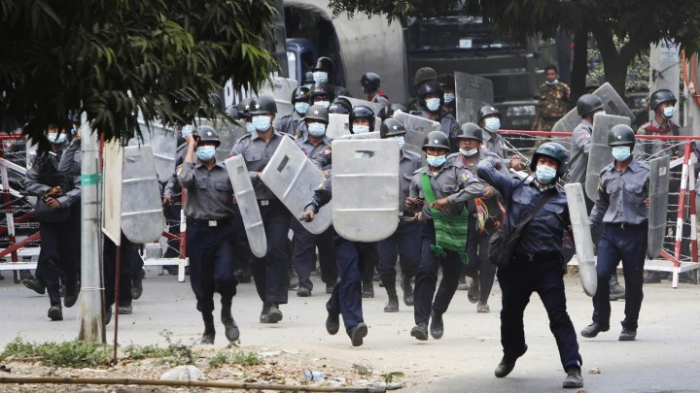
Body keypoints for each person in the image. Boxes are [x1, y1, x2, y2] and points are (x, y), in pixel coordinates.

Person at [477, 142, 583, 389]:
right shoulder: (514, 186)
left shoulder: (565, 200)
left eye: (552, 163)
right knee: (510, 314)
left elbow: (580, 233)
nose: (546, 166)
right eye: (543, 162)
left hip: (547, 267)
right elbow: (483, 169)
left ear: (559, 170)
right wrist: (497, 162)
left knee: (558, 316)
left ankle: (572, 367)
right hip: (515, 265)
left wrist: (567, 256)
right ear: (535, 163)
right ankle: (512, 352)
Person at [405, 131, 484, 341]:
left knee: (451, 276)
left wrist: (450, 199)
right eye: (432, 150)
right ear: (425, 152)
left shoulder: (458, 171)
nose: (435, 153)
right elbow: (414, 203)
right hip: (430, 228)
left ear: (446, 153)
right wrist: (412, 206)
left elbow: (477, 187)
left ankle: (437, 312)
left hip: (456, 227)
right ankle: (421, 322)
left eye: (440, 150)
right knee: (425, 270)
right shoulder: (418, 176)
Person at [581, 124, 650, 342]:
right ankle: (600, 321)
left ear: (631, 147)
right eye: (616, 146)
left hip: (635, 232)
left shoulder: (645, 174)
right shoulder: (605, 174)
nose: (620, 150)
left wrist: (651, 205)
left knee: (633, 281)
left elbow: (658, 203)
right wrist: (589, 228)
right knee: (601, 275)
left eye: (624, 146)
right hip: (610, 233)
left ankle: (630, 325)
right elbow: (600, 205)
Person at [230, 94, 292, 324]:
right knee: (257, 255)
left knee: (276, 248)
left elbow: (296, 168)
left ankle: (274, 301)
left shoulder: (286, 142)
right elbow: (233, 172)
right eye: (255, 116)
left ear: (273, 117)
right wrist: (258, 176)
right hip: (252, 205)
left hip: (278, 205)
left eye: (263, 115)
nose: (259, 120)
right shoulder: (243, 144)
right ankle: (266, 299)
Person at [177, 125, 240, 344]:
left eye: (210, 144)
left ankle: (227, 313)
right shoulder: (191, 171)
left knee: (225, 277)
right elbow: (183, 180)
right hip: (199, 231)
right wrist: (190, 147)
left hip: (223, 230)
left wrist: (238, 199)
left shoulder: (227, 171)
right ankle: (209, 327)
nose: (206, 148)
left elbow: (242, 191)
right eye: (202, 144)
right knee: (202, 287)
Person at [566, 94, 626, 301]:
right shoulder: (581, 131)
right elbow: (592, 149)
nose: (602, 114)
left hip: (595, 189)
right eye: (598, 111)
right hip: (583, 191)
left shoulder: (597, 129)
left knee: (600, 235)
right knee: (589, 237)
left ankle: (609, 284)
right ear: (589, 114)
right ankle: (609, 284)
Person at [22, 123, 82, 321]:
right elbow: (29, 182)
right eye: (52, 128)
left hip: (71, 213)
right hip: (48, 211)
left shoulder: (76, 154)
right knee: (49, 255)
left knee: (69, 255)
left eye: (60, 129)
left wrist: (63, 201)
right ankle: (54, 303)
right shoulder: (38, 155)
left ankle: (72, 284)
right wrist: (47, 192)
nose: (56, 133)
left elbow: (82, 185)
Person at [300, 178, 369, 347]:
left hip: (369, 233)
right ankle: (354, 326)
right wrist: (310, 209)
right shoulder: (338, 174)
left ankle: (333, 306)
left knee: (353, 276)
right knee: (351, 276)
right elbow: (319, 196)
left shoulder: (377, 173)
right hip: (343, 232)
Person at [447, 123, 503, 313]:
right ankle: (474, 280)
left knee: (488, 259)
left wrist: (494, 189)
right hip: (463, 217)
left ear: (478, 142)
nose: (467, 143)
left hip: (490, 218)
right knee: (467, 260)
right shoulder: (452, 161)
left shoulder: (492, 160)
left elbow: (507, 181)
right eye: (463, 140)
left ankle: (483, 300)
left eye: (471, 140)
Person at [290, 105, 338, 297]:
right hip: (301, 199)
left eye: (320, 122)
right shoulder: (296, 146)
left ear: (325, 125)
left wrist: (328, 172)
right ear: (306, 124)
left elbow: (342, 168)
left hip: (326, 200)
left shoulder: (334, 146)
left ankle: (331, 280)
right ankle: (304, 282)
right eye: (312, 122)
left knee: (327, 244)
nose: (316, 125)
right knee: (302, 243)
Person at [637, 89, 683, 283]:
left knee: (679, 225)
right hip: (654, 187)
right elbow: (639, 160)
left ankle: (680, 264)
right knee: (655, 225)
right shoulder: (645, 131)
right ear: (656, 107)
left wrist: (677, 162)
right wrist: (660, 169)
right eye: (665, 104)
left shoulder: (676, 130)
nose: (669, 108)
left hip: (675, 186)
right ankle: (654, 266)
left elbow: (684, 153)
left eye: (671, 104)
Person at [377, 118, 421, 312]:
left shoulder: (415, 160)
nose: (397, 139)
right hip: (384, 218)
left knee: (411, 259)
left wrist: (418, 205)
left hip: (408, 218)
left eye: (399, 136)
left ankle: (407, 282)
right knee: (385, 263)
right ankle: (392, 297)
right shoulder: (374, 160)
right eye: (392, 136)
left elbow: (422, 188)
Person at [348, 105, 380, 298]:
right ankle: (355, 280)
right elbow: (322, 160)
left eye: (364, 122)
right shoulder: (342, 144)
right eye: (356, 122)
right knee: (352, 244)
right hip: (350, 200)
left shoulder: (379, 145)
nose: (360, 126)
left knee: (370, 245)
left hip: (372, 199)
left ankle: (367, 281)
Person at [412, 81, 460, 151]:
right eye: (429, 97)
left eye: (436, 96)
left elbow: (459, 138)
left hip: (442, 155)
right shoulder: (415, 118)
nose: (433, 99)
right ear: (422, 100)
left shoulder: (449, 119)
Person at [477, 106, 524, 171]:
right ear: (481, 122)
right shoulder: (478, 139)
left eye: (495, 116)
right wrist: (509, 162)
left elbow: (504, 158)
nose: (493, 119)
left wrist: (512, 158)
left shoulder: (499, 138)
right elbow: (485, 162)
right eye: (489, 117)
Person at [532, 65, 571, 131]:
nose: (550, 76)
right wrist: (536, 121)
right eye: (548, 74)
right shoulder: (542, 89)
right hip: (545, 122)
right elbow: (539, 105)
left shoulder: (563, 87)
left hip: (559, 121)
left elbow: (570, 102)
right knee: (540, 141)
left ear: (556, 75)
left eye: (552, 74)